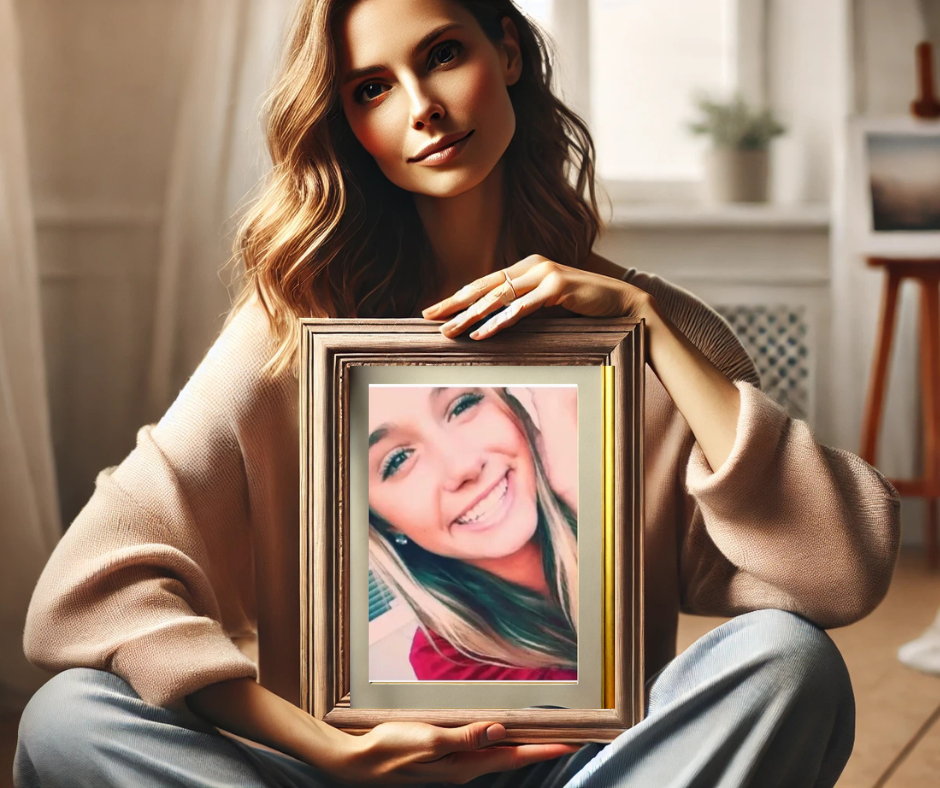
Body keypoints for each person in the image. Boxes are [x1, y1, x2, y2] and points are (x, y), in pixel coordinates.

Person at [14, 0, 901, 785]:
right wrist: (325, 748)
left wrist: (647, 322)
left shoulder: (649, 336)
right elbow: (82, 593)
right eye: (371, 89)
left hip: (595, 770)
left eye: (441, 54)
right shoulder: (290, 333)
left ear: (506, 51)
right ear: (344, 124)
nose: (422, 108)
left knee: (791, 662)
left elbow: (840, 573)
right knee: (68, 717)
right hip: (339, 775)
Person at [367, 386, 579, 681]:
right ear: (383, 523)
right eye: (398, 460)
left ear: (510, 404)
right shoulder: (449, 664)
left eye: (462, 405)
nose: (463, 466)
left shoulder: (638, 464)